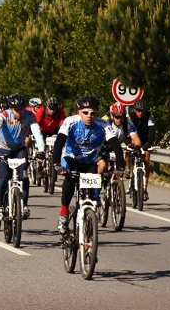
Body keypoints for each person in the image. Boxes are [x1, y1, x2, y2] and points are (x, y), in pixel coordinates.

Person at [52, 96, 125, 235]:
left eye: (93, 113)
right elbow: (59, 141)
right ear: (79, 112)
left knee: (89, 195)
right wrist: (56, 164)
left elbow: (116, 145)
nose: (89, 116)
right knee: (70, 180)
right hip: (71, 158)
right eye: (85, 112)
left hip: (90, 161)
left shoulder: (103, 125)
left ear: (97, 113)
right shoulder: (70, 122)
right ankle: (64, 213)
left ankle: (89, 213)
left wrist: (120, 167)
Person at [0, 93, 45, 220]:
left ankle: (24, 205)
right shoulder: (4, 115)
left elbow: (37, 133)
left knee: (24, 176)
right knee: (4, 176)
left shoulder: (29, 116)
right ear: (11, 109)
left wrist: (41, 150)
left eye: (21, 109)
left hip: (19, 149)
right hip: (3, 149)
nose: (19, 112)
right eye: (16, 110)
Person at [129, 99, 156, 198]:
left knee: (146, 159)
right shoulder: (130, 116)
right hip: (133, 139)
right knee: (130, 155)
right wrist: (130, 142)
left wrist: (148, 143)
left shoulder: (150, 116)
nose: (140, 113)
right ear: (135, 110)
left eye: (142, 111)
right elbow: (127, 130)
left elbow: (152, 132)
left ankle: (144, 189)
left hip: (145, 139)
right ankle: (130, 171)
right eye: (138, 110)